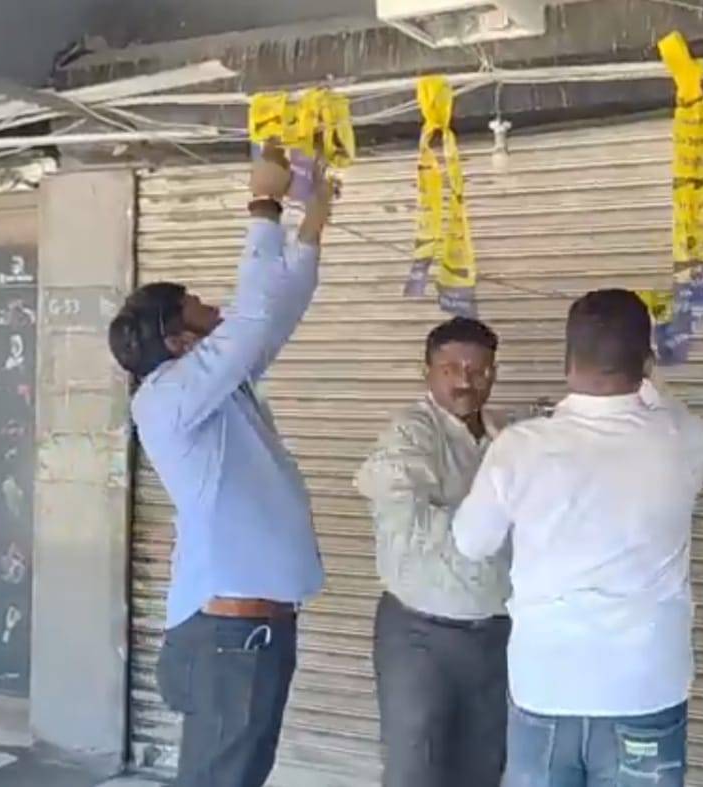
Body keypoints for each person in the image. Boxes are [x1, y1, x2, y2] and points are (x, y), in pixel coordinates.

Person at [107, 147, 331, 787]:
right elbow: (254, 316)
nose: (215, 307)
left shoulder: (214, 387)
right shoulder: (170, 397)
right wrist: (264, 203)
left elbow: (275, 313)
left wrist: (314, 218)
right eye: (198, 305)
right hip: (232, 638)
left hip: (250, 633)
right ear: (178, 340)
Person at [453, 289, 703, 787]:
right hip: (645, 687)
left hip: (546, 684)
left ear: (568, 361)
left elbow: (471, 542)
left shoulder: (519, 447)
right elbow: (661, 404)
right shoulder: (684, 439)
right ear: (647, 364)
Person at [354, 316, 513, 787]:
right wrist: (488, 527)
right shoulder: (410, 434)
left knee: (483, 767)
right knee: (415, 767)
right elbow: (406, 519)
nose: (466, 381)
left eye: (479, 370)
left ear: (493, 373)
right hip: (422, 636)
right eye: (451, 369)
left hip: (494, 634)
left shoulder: (505, 436)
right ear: (426, 371)